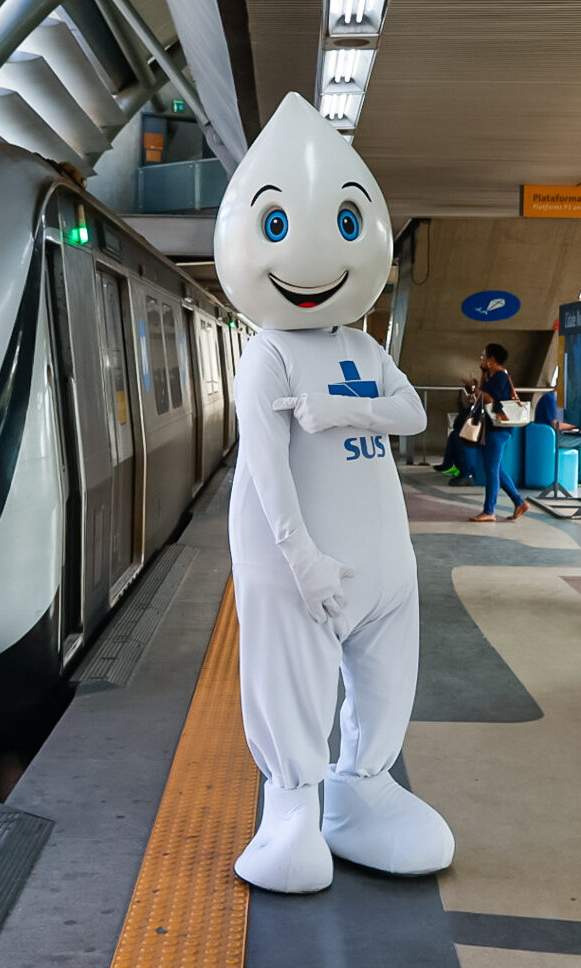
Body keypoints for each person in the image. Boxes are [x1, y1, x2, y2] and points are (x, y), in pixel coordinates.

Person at [214, 92, 454, 894]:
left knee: (386, 674)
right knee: (292, 680)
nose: (315, 257)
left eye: (347, 228)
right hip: (301, 567)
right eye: (274, 229)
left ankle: (363, 789)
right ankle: (292, 806)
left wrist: (340, 410)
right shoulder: (266, 358)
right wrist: (300, 557)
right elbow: (265, 467)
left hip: (384, 567)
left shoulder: (363, 346)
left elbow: (411, 411)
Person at [469, 343, 528, 522]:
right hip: (493, 428)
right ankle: (519, 502)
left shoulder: (501, 376)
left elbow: (490, 398)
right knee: (495, 468)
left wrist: (477, 389)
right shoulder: (493, 376)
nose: (482, 358)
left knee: (492, 469)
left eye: (483, 356)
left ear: (491, 359)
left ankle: (489, 511)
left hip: (498, 429)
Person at [535, 389, 581, 483]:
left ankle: (578, 473)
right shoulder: (551, 399)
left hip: (548, 436)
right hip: (550, 439)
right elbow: (556, 425)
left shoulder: (553, 399)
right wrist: (577, 425)